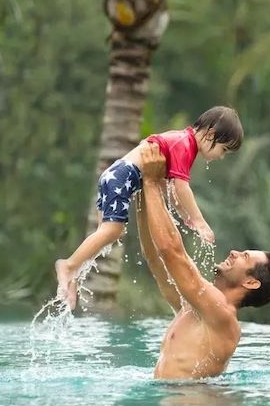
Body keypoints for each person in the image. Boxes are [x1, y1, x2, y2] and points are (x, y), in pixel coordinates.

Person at [55, 106, 243, 310]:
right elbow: (181, 187)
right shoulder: (185, 144)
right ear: (210, 134)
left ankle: (73, 277)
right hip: (122, 177)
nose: (221, 156)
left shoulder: (182, 140)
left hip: (114, 175)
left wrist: (182, 213)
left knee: (106, 235)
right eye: (223, 149)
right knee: (112, 231)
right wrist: (199, 221)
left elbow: (166, 185)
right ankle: (67, 266)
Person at [137, 142, 270, 379]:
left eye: (244, 257)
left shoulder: (223, 315)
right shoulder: (196, 307)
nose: (235, 252)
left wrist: (152, 183)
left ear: (251, 282)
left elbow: (172, 252)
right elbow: (156, 258)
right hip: (176, 403)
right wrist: (142, 197)